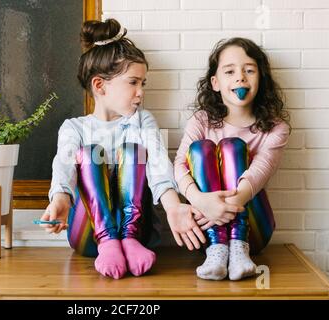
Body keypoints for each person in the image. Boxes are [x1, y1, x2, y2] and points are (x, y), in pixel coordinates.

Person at [40, 19, 206, 280]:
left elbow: (158, 163)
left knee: (132, 150)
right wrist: (60, 198)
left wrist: (174, 206)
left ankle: (127, 239)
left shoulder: (142, 121)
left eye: (144, 83)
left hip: (140, 235)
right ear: (100, 85)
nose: (140, 92)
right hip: (89, 235)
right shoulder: (74, 128)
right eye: (133, 82)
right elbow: (63, 165)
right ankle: (108, 241)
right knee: (90, 153)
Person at [174, 37, 291, 281]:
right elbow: (179, 166)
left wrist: (222, 209)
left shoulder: (276, 129)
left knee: (232, 148)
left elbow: (259, 172)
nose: (240, 77)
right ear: (215, 83)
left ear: (261, 79)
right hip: (205, 229)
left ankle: (238, 245)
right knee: (201, 149)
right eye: (230, 71)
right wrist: (201, 201)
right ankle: (218, 248)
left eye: (249, 70)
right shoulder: (202, 121)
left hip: (254, 230)